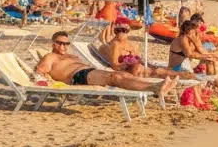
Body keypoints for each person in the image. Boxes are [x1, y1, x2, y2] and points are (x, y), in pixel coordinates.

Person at [35, 31, 172, 99]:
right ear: (53, 43)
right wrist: (45, 82)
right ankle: (155, 88)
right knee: (116, 78)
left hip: (89, 72)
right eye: (60, 43)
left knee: (122, 75)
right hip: (78, 77)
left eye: (66, 43)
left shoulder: (71, 56)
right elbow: (38, 73)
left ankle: (156, 86)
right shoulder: (50, 57)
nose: (64, 46)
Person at [98, 20, 177, 78]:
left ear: (128, 32)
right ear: (115, 32)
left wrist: (144, 63)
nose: (121, 33)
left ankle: (176, 74)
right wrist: (128, 64)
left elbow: (137, 57)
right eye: (118, 31)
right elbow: (114, 65)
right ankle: (176, 75)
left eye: (124, 31)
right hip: (130, 69)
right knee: (152, 71)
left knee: (154, 69)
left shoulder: (129, 44)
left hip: (135, 67)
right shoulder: (115, 44)